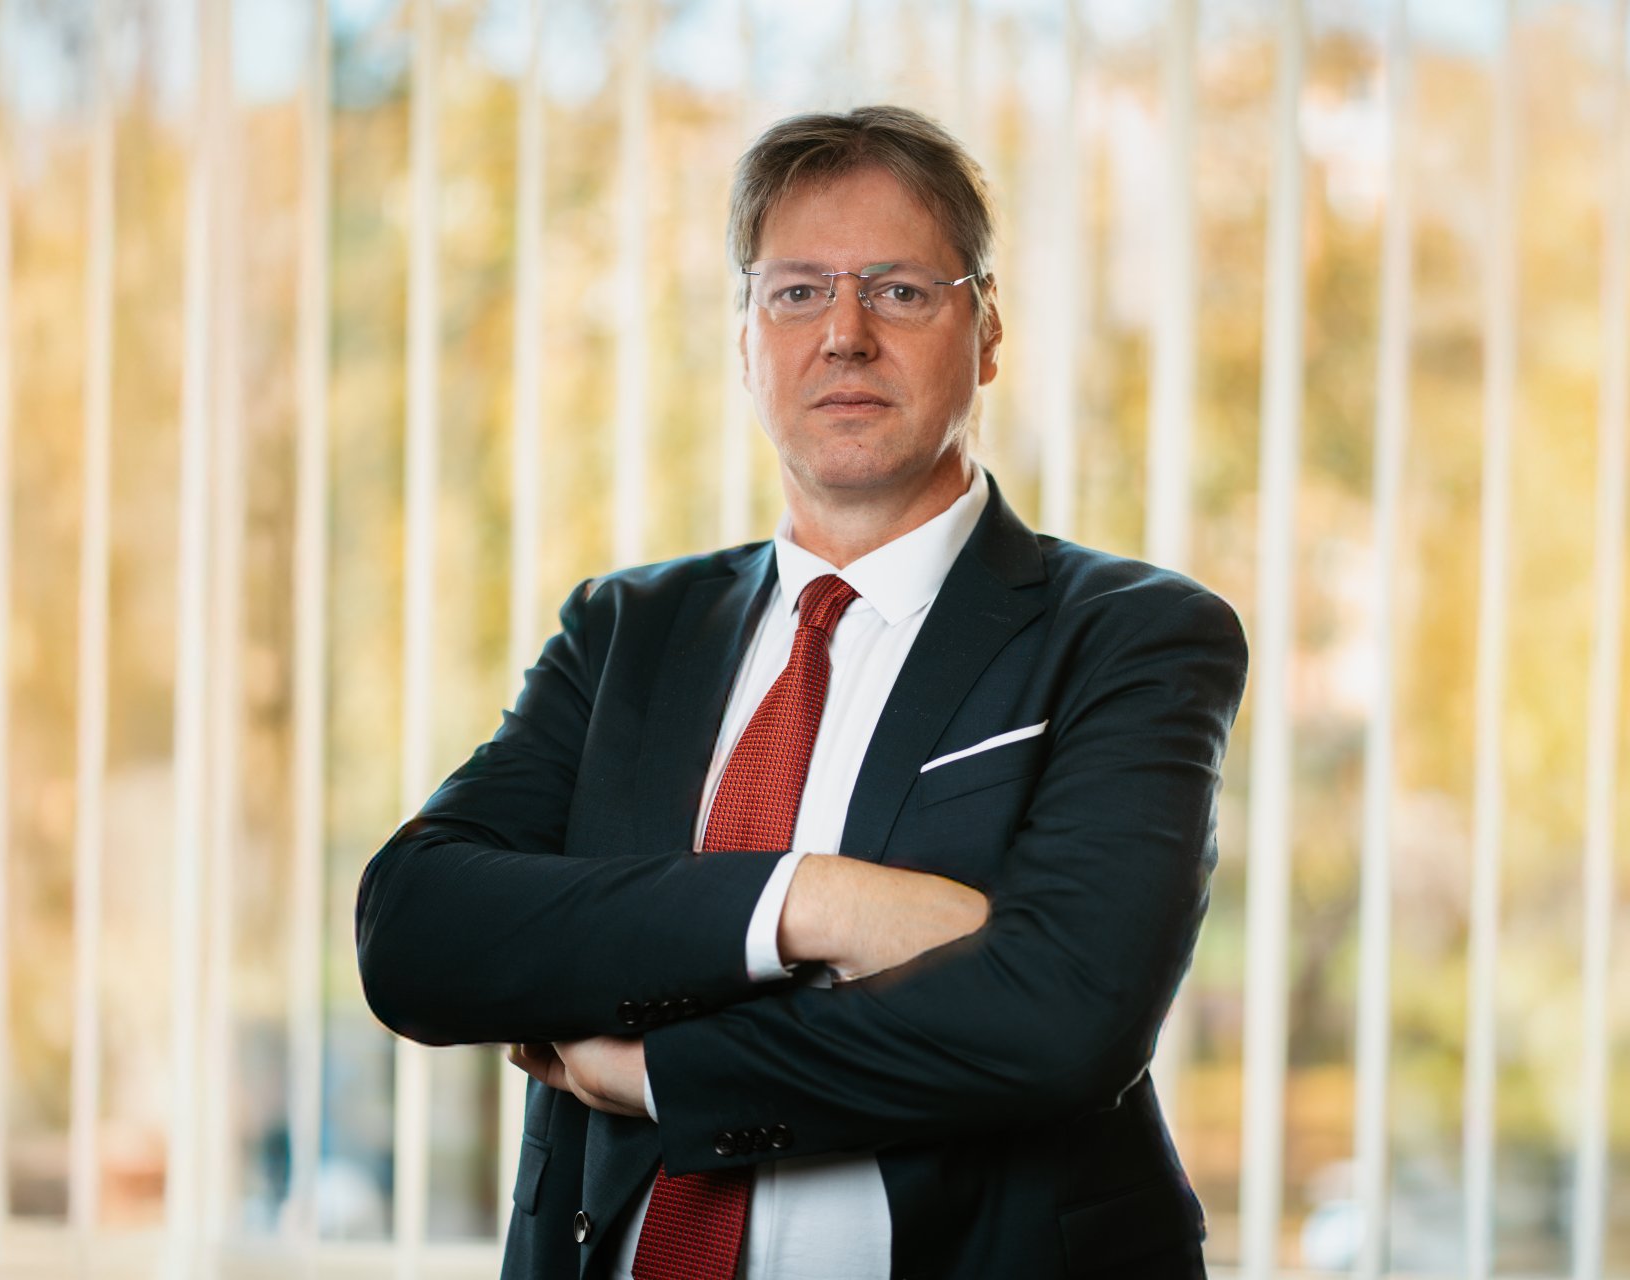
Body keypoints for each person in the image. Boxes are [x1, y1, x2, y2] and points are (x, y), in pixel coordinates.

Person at [356, 104, 1248, 1280]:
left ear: (987, 330)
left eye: (900, 291)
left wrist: (664, 1071)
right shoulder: (626, 631)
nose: (844, 334)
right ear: (744, 340)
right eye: (796, 292)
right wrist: (809, 901)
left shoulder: (1132, 634)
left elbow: (1065, 1016)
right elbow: (416, 931)